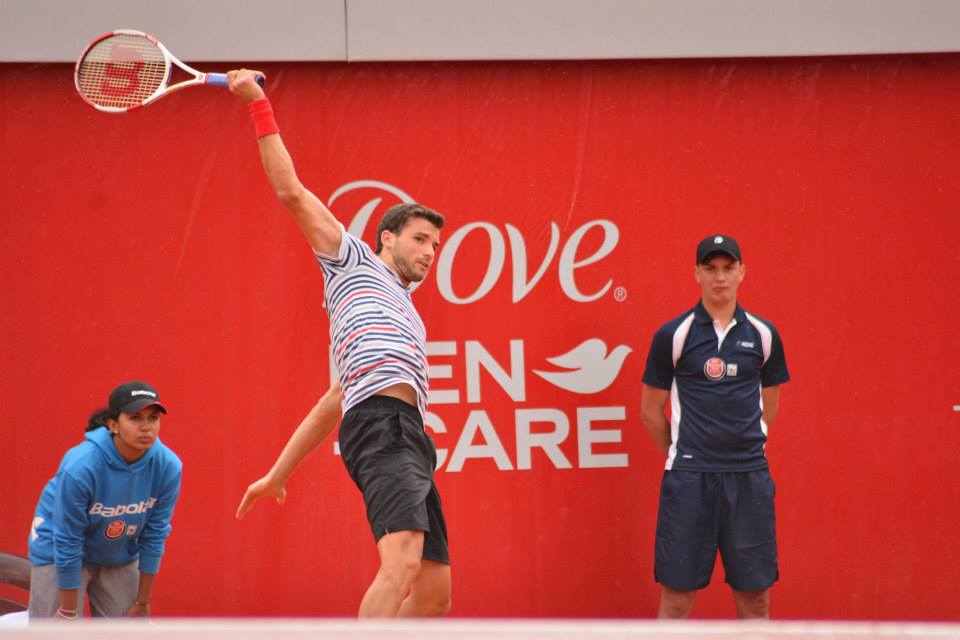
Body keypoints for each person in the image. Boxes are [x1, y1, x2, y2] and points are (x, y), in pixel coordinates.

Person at [228, 68, 451, 618]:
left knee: (433, 592)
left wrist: (277, 475)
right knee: (401, 563)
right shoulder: (352, 263)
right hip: (382, 426)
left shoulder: (406, 312)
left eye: (436, 245)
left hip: (406, 431)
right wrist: (257, 103)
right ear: (386, 238)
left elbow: (334, 400)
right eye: (420, 239)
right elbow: (291, 192)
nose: (430, 252)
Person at [640, 234, 789, 619]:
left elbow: (768, 408)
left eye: (727, 268)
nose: (719, 277)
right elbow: (650, 411)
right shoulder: (674, 334)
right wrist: (685, 454)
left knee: (755, 600)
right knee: (677, 600)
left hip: (748, 477)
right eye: (710, 269)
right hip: (690, 480)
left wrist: (741, 449)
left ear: (742, 272)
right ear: (696, 274)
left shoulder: (763, 334)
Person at [27, 381, 182, 620]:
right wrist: (67, 611)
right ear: (113, 424)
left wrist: (143, 602)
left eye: (153, 418)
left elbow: (155, 534)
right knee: (58, 633)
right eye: (135, 418)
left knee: (130, 633)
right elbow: (68, 538)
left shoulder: (168, 466)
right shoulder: (81, 466)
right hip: (58, 551)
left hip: (117, 553)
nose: (146, 427)